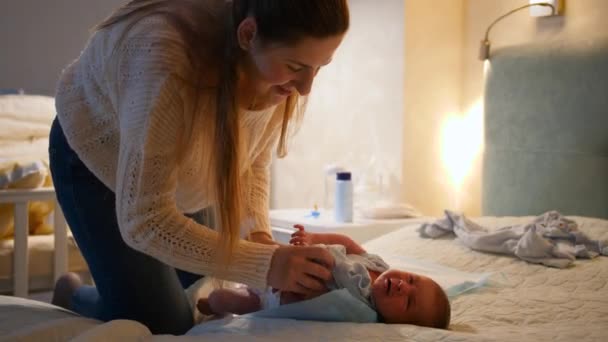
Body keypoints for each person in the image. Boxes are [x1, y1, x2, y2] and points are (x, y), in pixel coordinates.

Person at [48, 0, 349, 334]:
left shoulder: (274, 70)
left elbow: (253, 159)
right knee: (165, 324)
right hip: (101, 158)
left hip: (184, 171)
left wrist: (258, 235)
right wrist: (267, 264)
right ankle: (73, 293)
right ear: (248, 34)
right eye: (296, 66)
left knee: (206, 302)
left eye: (320, 66)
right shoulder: (164, 62)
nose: (307, 87)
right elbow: (145, 220)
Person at [196, 225, 452, 329]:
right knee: (257, 239)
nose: (401, 286)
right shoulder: (378, 265)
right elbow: (349, 244)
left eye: (408, 302)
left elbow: (321, 306)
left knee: (227, 299)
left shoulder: (362, 310)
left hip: (281, 292)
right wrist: (315, 239)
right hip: (289, 260)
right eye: (411, 279)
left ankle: (211, 306)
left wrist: (302, 294)